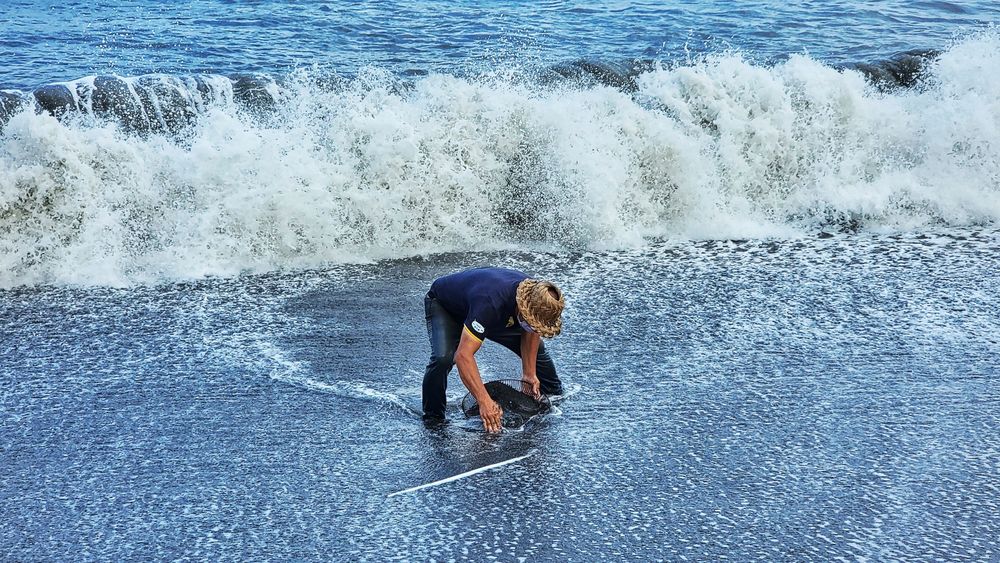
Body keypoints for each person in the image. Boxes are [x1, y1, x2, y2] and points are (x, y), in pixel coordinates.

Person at [422, 267, 565, 432]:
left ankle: (554, 397)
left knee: (539, 356)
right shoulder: (489, 303)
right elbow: (463, 356)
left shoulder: (536, 295)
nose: (534, 327)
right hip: (446, 306)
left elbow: (532, 328)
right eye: (531, 321)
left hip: (494, 312)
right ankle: (433, 421)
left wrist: (529, 373)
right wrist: (484, 402)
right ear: (522, 306)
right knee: (443, 358)